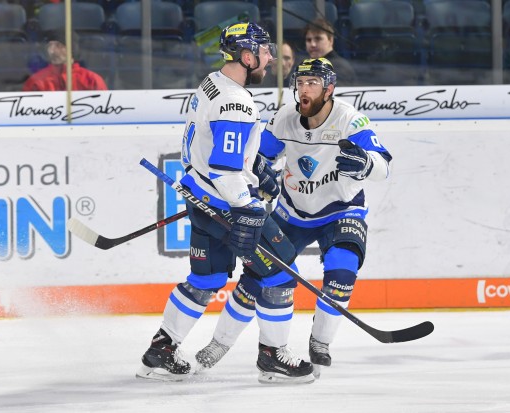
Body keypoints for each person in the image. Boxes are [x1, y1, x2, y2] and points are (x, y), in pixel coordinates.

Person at [136, 22, 315, 385]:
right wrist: (248, 205)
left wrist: (254, 165)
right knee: (280, 272)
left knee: (208, 278)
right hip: (227, 205)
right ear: (247, 56)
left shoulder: (212, 82)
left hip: (201, 197)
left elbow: (218, 151)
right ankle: (272, 358)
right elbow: (224, 167)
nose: (269, 58)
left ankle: (161, 351)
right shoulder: (235, 101)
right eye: (264, 51)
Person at [195, 57, 392, 378]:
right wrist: (260, 173)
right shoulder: (285, 118)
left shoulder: (349, 120)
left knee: (343, 272)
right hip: (292, 211)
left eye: (312, 83)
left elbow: (384, 166)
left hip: (341, 210)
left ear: (329, 88)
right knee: (255, 280)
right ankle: (219, 343)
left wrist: (367, 164)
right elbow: (257, 158)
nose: (304, 89)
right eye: (300, 83)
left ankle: (320, 342)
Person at [22, 29, 107, 91]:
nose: (51, 51)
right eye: (49, 46)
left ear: (71, 49)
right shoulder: (36, 81)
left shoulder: (91, 80)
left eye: (58, 46)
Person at [304, 18, 356, 87]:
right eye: (308, 40)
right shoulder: (304, 66)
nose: (312, 44)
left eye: (318, 39)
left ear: (330, 40)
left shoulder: (340, 68)